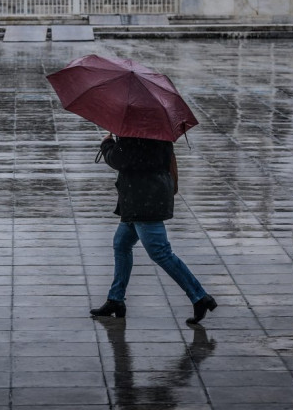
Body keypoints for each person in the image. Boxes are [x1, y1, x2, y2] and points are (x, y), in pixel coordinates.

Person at [90, 134, 217, 324]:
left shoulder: (135, 133)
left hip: (144, 200)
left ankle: (200, 297)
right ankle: (116, 299)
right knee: (121, 244)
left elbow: (120, 160)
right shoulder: (157, 130)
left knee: (160, 252)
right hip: (144, 197)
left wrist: (107, 145)